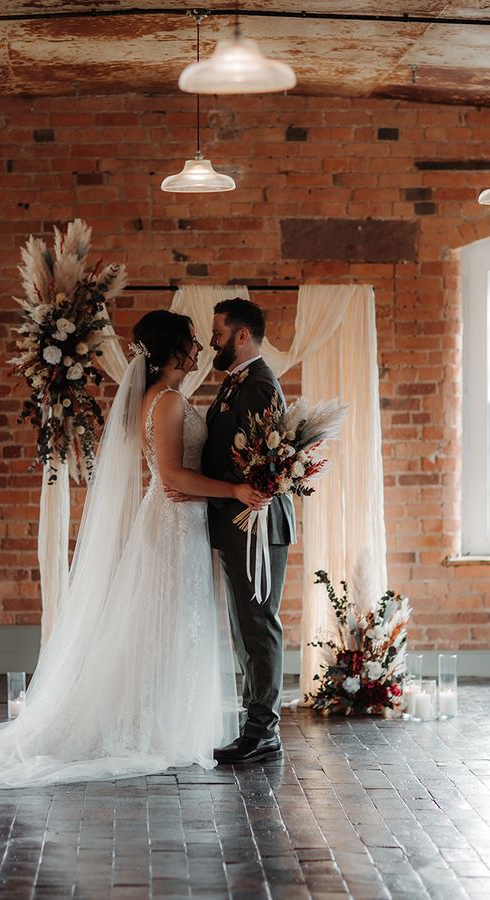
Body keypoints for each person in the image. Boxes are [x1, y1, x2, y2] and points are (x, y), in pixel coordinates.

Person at [0, 310, 267, 788]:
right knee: (168, 621)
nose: (199, 349)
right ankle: (151, 727)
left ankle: (165, 721)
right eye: (192, 342)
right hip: (174, 521)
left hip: (180, 518)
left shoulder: (164, 397)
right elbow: (171, 475)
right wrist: (234, 491)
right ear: (173, 350)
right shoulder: (169, 401)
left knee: (169, 623)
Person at [202, 298, 296, 764]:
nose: (212, 340)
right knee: (244, 628)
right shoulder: (235, 383)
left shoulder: (258, 385)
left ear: (242, 335)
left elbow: (263, 469)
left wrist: (226, 492)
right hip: (235, 522)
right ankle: (253, 723)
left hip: (255, 525)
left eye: (218, 332)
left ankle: (264, 732)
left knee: (258, 626)